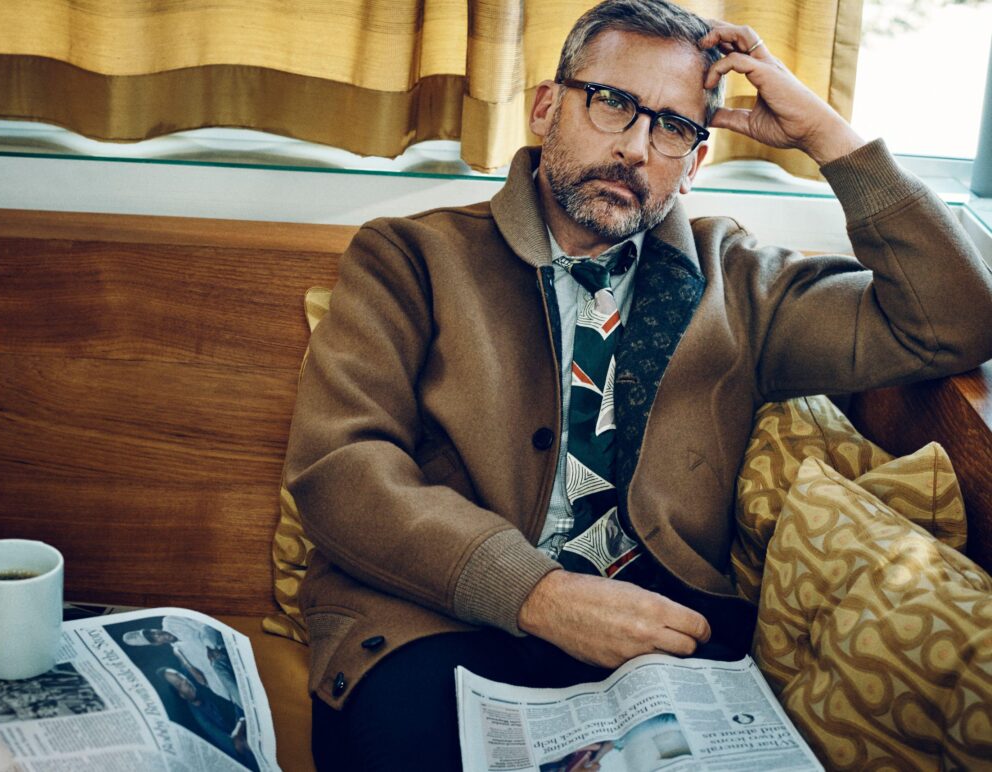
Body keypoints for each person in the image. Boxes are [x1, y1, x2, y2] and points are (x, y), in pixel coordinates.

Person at [283, 1, 992, 768]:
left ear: (694, 162)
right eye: (613, 103)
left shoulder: (740, 281)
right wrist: (539, 596)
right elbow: (341, 468)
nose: (635, 148)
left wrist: (828, 137)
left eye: (673, 128)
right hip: (432, 618)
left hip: (660, 634)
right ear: (547, 107)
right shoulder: (411, 256)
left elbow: (952, 322)